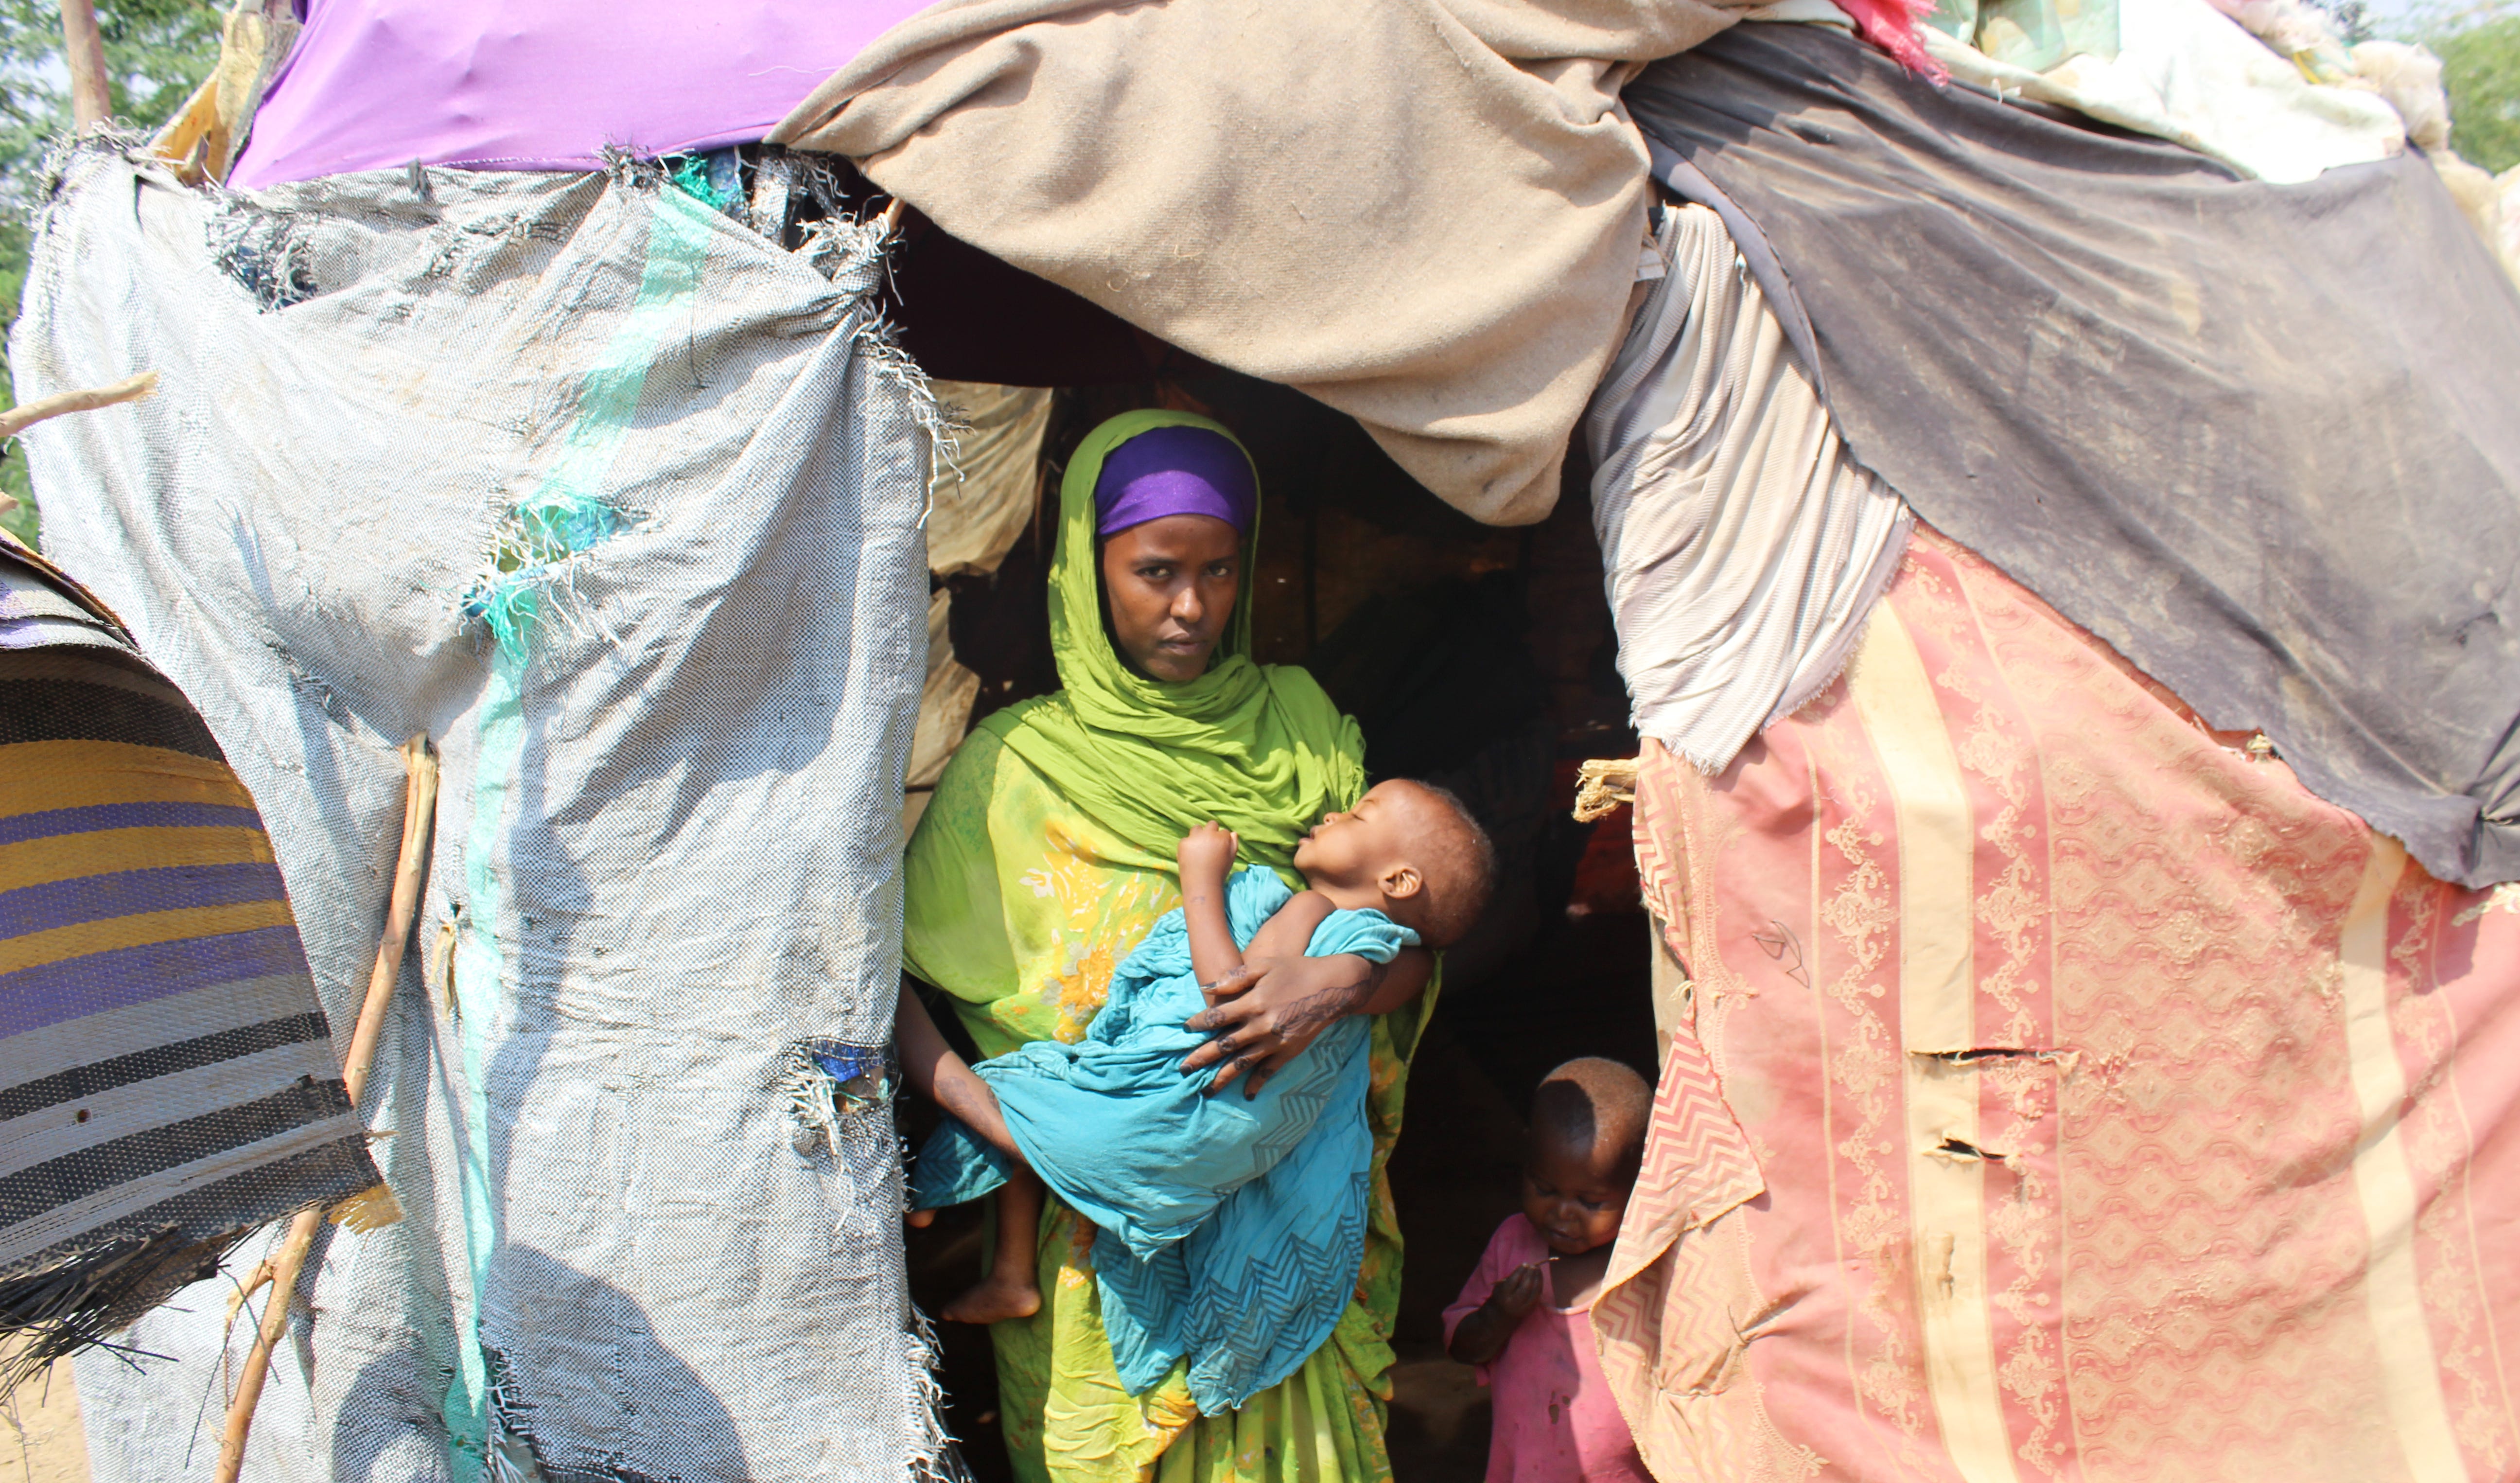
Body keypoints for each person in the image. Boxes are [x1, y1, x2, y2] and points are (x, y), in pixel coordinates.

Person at [895, 409, 1437, 1482]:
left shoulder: (1304, 730)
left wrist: (1336, 981)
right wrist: (982, 1106)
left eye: (1220, 571)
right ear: (1086, 568)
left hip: (1296, 1225)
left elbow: (1412, 944)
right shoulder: (1013, 770)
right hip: (1096, 1252)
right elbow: (878, 970)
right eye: (1154, 571)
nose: (1192, 607)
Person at [900, 780, 1494, 1414]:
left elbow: (1224, 993)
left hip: (1174, 1123)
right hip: (1223, 1149)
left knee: (991, 1089)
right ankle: (1012, 1274)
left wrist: (1201, 876)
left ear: (1400, 880)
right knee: (1036, 1097)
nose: (1332, 812)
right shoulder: (1386, 958)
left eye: (1358, 814)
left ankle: (893, 1019)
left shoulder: (1314, 913)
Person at [1443, 1058, 1654, 1483]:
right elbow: (1463, 1347)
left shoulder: (1646, 1264)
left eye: (1590, 1202)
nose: (1562, 1213)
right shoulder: (1513, 1243)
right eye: (1545, 1189)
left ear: (1641, 1184)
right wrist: (1497, 1316)